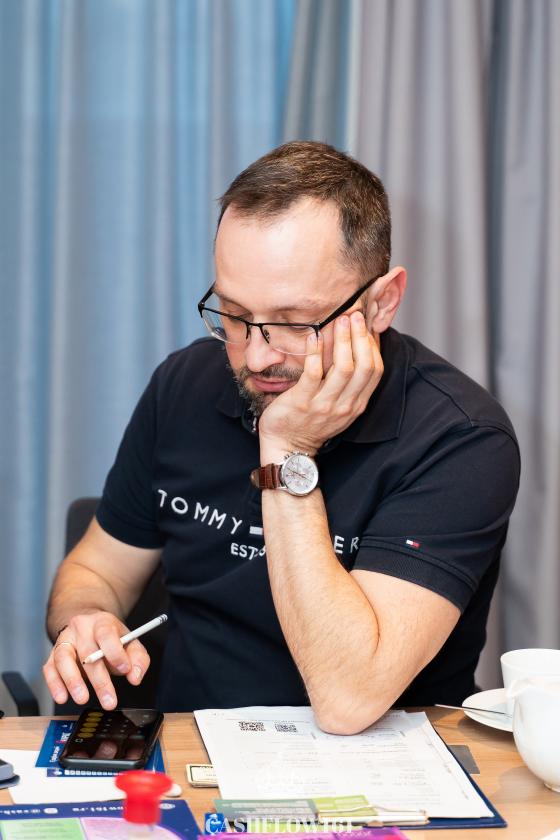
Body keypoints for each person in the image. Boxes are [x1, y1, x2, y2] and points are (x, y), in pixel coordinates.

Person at [43, 141, 520, 734]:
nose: (257, 356)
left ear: (382, 303)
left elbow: (349, 699)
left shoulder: (461, 439)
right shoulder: (184, 384)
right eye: (234, 314)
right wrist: (85, 616)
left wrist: (288, 451)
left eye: (295, 323)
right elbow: (98, 569)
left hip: (375, 766)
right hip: (189, 745)